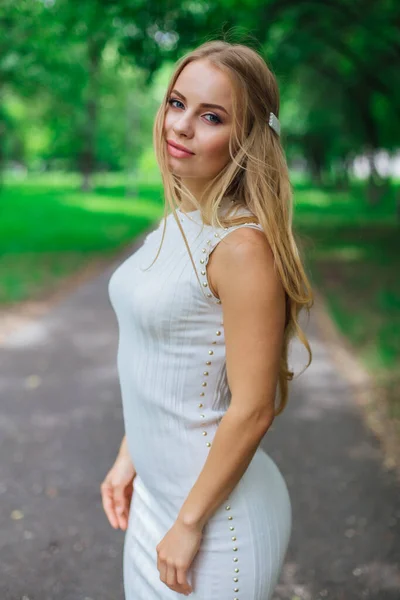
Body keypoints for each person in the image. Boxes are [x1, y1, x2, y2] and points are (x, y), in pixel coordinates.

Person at [102, 39, 313, 599]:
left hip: (215, 522)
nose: (182, 125)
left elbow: (253, 406)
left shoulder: (242, 247)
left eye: (211, 116)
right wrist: (129, 455)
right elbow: (161, 357)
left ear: (245, 140)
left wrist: (191, 523)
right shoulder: (179, 223)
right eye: (176, 103)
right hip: (157, 496)